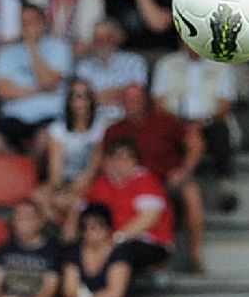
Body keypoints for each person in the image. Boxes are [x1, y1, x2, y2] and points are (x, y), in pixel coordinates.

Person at [99, 81, 207, 272]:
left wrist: (184, 170)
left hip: (167, 181)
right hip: (132, 185)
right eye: (128, 100)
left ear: (146, 101)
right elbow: (104, 162)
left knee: (192, 192)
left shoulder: (164, 121)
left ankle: (195, 257)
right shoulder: (114, 130)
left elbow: (195, 142)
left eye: (136, 100)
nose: (132, 104)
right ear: (122, 104)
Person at [151, 40, 240, 213]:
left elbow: (225, 105)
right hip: (176, 120)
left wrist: (202, 121)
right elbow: (159, 102)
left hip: (209, 121)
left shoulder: (222, 65)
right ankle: (166, 185)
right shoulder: (167, 64)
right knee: (163, 132)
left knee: (220, 131)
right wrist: (181, 122)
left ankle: (226, 185)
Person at [0, 2, 72, 156]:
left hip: (49, 114)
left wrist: (32, 49)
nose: (27, 26)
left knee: (46, 139)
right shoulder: (6, 52)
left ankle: (31, 170)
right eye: (24, 22)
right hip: (14, 115)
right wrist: (41, 90)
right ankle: (22, 166)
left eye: (32, 21)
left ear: (43, 23)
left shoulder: (60, 48)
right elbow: (2, 91)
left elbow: (49, 82)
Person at [84, 136, 174, 274]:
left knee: (118, 256)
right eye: (116, 157)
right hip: (107, 241)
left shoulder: (145, 180)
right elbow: (88, 214)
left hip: (147, 241)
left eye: (127, 158)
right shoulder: (102, 182)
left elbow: (148, 219)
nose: (121, 163)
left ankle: (113, 294)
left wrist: (114, 240)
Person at [49, 200, 132, 297]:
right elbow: (69, 290)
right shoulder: (74, 254)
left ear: (107, 228)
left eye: (96, 227)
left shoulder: (119, 254)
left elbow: (115, 293)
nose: (90, 232)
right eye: (86, 228)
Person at [37, 78, 110, 238]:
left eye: (84, 96)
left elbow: (92, 170)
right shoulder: (57, 129)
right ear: (69, 101)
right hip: (64, 181)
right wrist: (59, 192)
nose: (80, 101)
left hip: (91, 181)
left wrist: (71, 193)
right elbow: (55, 173)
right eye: (75, 96)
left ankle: (68, 239)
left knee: (75, 204)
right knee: (38, 197)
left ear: (91, 100)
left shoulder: (102, 128)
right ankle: (55, 228)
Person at [75, 19, 148, 120]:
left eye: (106, 38)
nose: (102, 43)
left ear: (116, 39)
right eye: (98, 39)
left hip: (126, 121)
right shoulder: (84, 66)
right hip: (93, 122)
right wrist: (120, 93)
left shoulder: (134, 62)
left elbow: (137, 96)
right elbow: (81, 99)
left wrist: (97, 96)